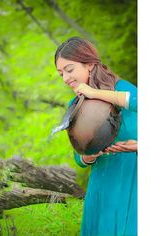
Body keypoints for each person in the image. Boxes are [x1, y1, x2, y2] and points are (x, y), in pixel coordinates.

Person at [55, 37, 137, 236]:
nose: (65, 78)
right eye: (60, 73)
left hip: (131, 174)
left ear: (90, 64)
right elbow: (78, 152)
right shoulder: (75, 105)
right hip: (102, 180)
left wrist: (94, 93)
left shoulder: (120, 88)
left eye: (69, 69)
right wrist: (86, 157)